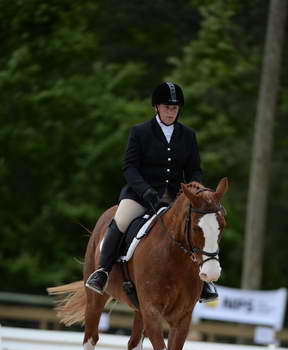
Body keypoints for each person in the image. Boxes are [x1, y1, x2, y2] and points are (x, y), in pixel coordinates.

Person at [85, 81, 218, 302]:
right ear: (156, 107)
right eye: (167, 107)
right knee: (120, 221)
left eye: (175, 108)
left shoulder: (188, 135)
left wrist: (197, 191)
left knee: (198, 228)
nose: (171, 112)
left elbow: (194, 168)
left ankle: (204, 284)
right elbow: (129, 167)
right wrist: (145, 191)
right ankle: (102, 271)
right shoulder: (140, 132)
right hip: (140, 196)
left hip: (176, 198)